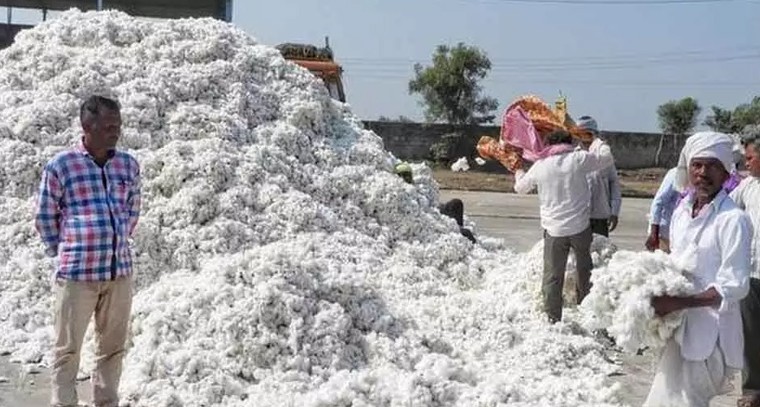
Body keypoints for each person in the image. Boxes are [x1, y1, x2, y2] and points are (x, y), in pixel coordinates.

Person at [35, 95, 141, 407]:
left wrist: (114, 238)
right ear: (86, 127)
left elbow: (132, 210)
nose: (115, 132)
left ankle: (106, 402)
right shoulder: (61, 166)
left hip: (118, 273)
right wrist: (68, 248)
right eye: (108, 126)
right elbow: (45, 216)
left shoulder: (127, 165)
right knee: (67, 349)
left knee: (113, 348)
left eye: (117, 126)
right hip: (77, 275)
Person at [645, 132, 752, 407]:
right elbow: (676, 263)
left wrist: (679, 302)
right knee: (664, 399)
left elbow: (735, 286)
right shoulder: (682, 212)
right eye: (697, 165)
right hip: (678, 328)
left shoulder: (733, 220)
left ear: (726, 172)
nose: (703, 173)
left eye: (712, 166)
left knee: (687, 401)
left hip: (711, 336)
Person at [513, 130, 614, 323]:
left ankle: (553, 317)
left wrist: (518, 171)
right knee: (584, 271)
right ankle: (587, 312)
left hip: (554, 230)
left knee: (553, 275)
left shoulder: (541, 165)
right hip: (580, 227)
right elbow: (606, 158)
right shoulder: (579, 159)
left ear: (548, 145)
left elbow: (520, 188)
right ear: (569, 143)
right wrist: (598, 141)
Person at [729, 130, 760, 407]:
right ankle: (752, 390)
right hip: (752, 273)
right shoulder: (748, 186)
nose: (746, 163)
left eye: (750, 158)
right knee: (750, 335)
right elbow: (726, 208)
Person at [394, 162, 476, 243]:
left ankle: (458, 227)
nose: (407, 177)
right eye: (404, 175)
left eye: (408, 175)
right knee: (466, 233)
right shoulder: (399, 193)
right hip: (427, 217)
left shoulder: (416, 186)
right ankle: (459, 232)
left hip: (434, 210)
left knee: (456, 203)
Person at [576, 116, 622, 237]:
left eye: (587, 134)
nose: (584, 138)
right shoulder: (573, 155)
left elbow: (614, 184)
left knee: (599, 248)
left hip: (600, 217)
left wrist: (614, 212)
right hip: (577, 217)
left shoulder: (604, 155)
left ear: (594, 134)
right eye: (580, 134)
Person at [646, 167, 680, 253]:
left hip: (680, 232)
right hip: (663, 232)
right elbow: (658, 202)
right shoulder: (676, 173)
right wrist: (654, 233)